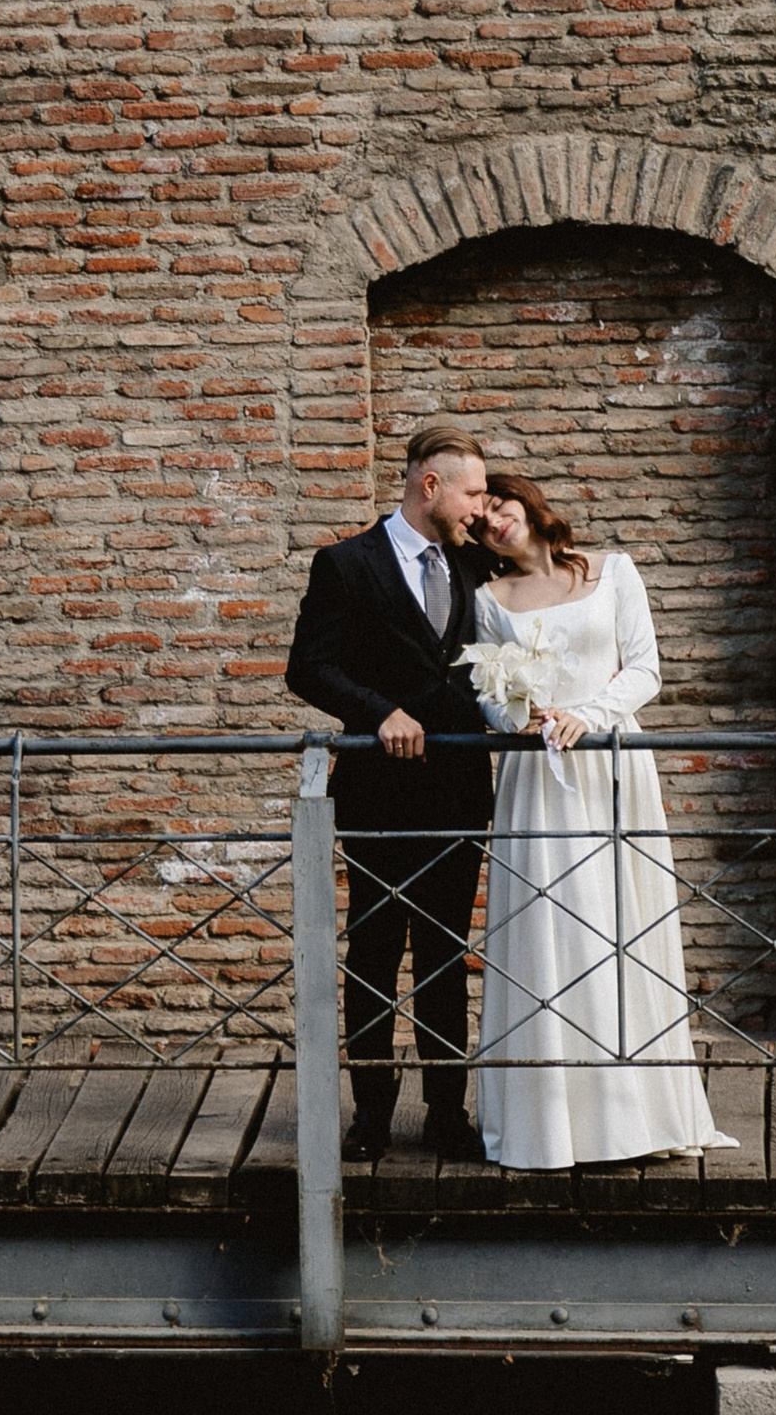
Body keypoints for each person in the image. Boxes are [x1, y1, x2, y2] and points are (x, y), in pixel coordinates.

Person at [460, 469, 734, 1170]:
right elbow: (484, 695)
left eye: (500, 504)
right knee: (548, 924)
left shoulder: (612, 572)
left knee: (622, 921)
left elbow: (645, 670)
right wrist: (518, 716)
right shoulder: (489, 600)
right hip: (538, 778)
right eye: (481, 520)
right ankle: (551, 1123)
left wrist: (587, 716)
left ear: (527, 502)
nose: (494, 521)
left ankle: (636, 1112)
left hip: (612, 765)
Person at [285, 419, 495, 1161]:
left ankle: (446, 1113)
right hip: (377, 793)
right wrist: (378, 712)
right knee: (374, 951)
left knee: (445, 953)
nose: (481, 506)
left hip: (459, 790)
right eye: (473, 492)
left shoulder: (477, 564)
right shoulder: (346, 564)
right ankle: (370, 1114)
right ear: (430, 485)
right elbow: (308, 668)